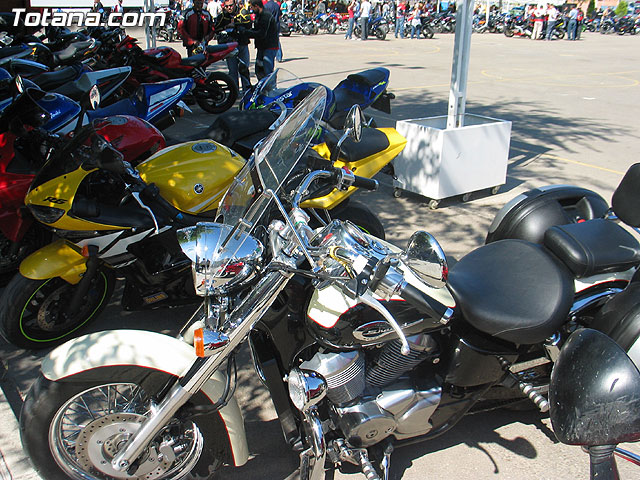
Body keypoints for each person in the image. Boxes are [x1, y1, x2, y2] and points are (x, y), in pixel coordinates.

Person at [216, 0, 252, 93]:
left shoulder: (243, 12)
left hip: (242, 44)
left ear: (235, 4)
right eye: (227, 6)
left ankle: (247, 91)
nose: (229, 8)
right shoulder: (222, 16)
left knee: (244, 69)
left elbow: (249, 24)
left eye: (231, 5)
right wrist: (226, 27)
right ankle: (234, 92)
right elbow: (215, 28)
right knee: (232, 71)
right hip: (230, 46)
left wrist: (236, 24)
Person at [244, 0, 279, 79]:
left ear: (256, 6)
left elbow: (261, 33)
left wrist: (246, 33)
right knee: (259, 70)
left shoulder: (266, 16)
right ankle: (262, 85)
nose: (251, 9)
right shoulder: (259, 15)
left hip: (269, 47)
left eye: (252, 7)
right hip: (261, 47)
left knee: (267, 71)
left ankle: (270, 86)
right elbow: (256, 29)